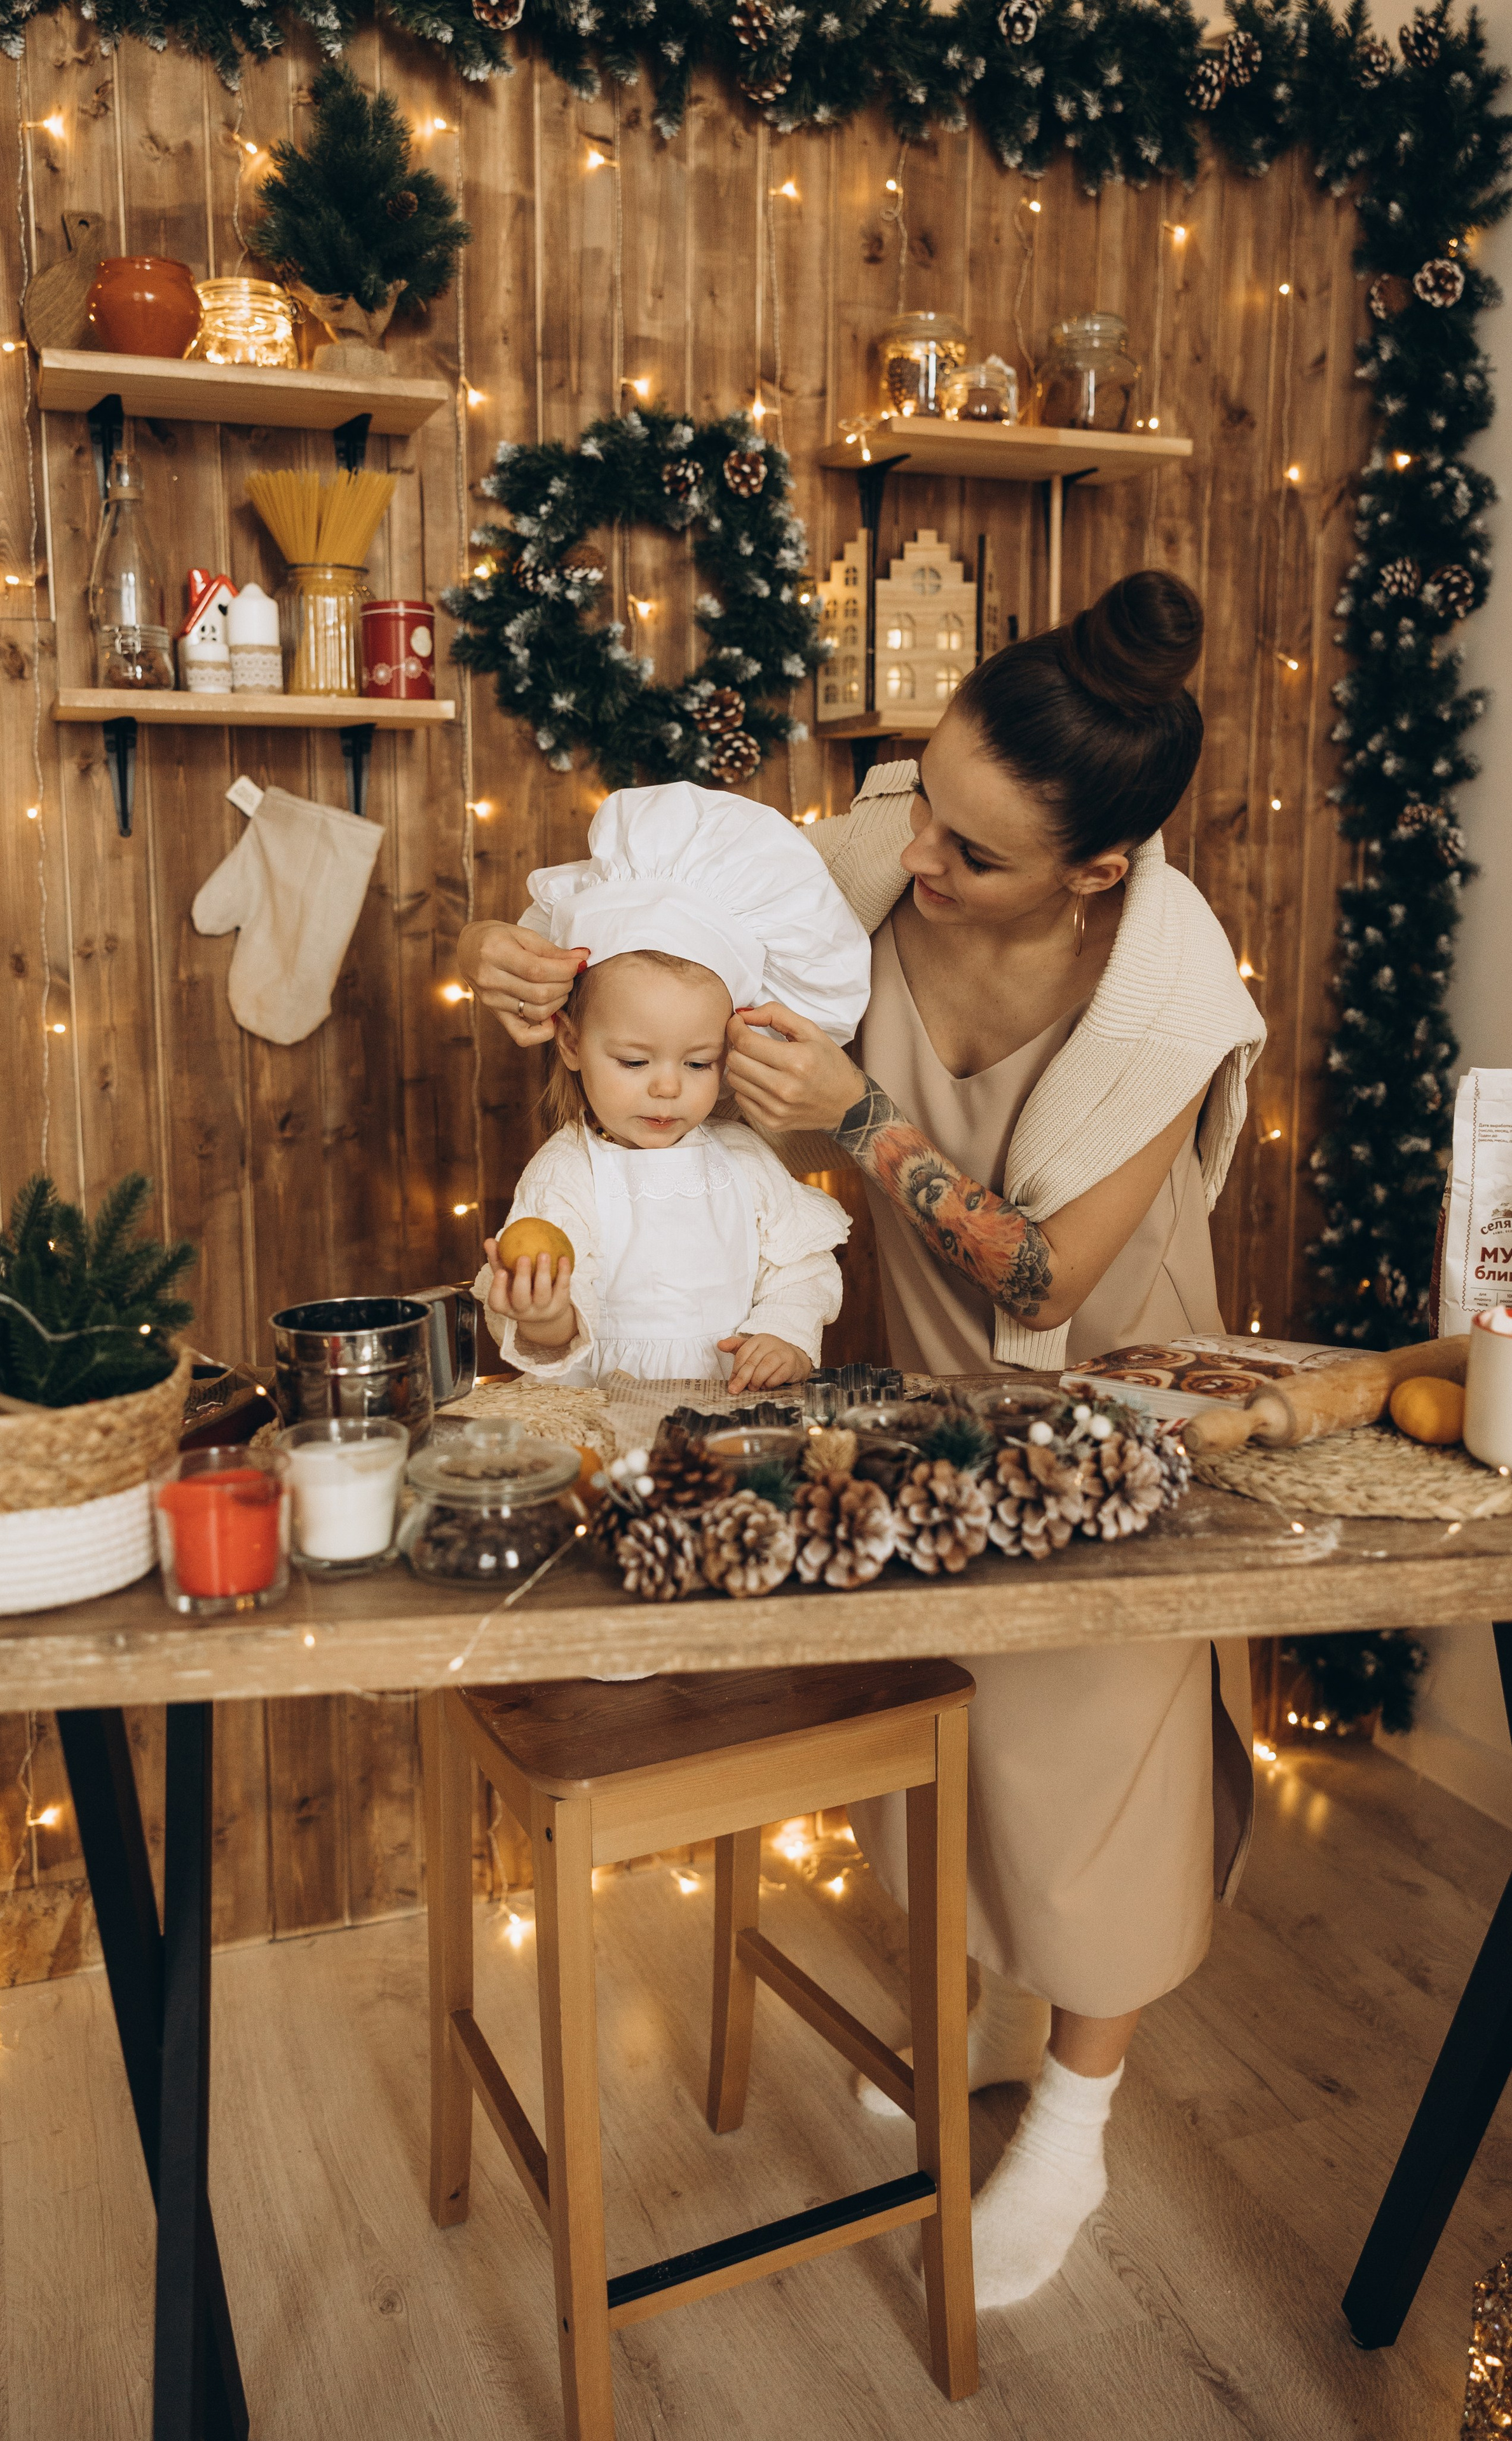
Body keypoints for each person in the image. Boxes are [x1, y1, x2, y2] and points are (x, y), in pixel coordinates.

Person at [458, 568, 1266, 2309]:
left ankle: (1074, 2116)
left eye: (975, 855)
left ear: (1098, 872)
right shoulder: (891, 844)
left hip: (1111, 1379)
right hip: (903, 1363)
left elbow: (1048, 1267)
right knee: (944, 1711)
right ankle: (951, 2010)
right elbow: (654, 943)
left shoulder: (1172, 994)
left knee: (1096, 1745)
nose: (922, 865)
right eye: (927, 807)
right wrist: (518, 962)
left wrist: (862, 1116)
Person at [473, 779, 867, 1390]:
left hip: (732, 1418)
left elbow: (801, 1266)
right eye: (634, 1062)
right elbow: (550, 1305)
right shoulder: (567, 1174)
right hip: (604, 1422)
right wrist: (549, 1318)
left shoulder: (743, 1161)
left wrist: (787, 1333)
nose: (667, 1089)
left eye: (699, 1062)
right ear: (572, 1042)